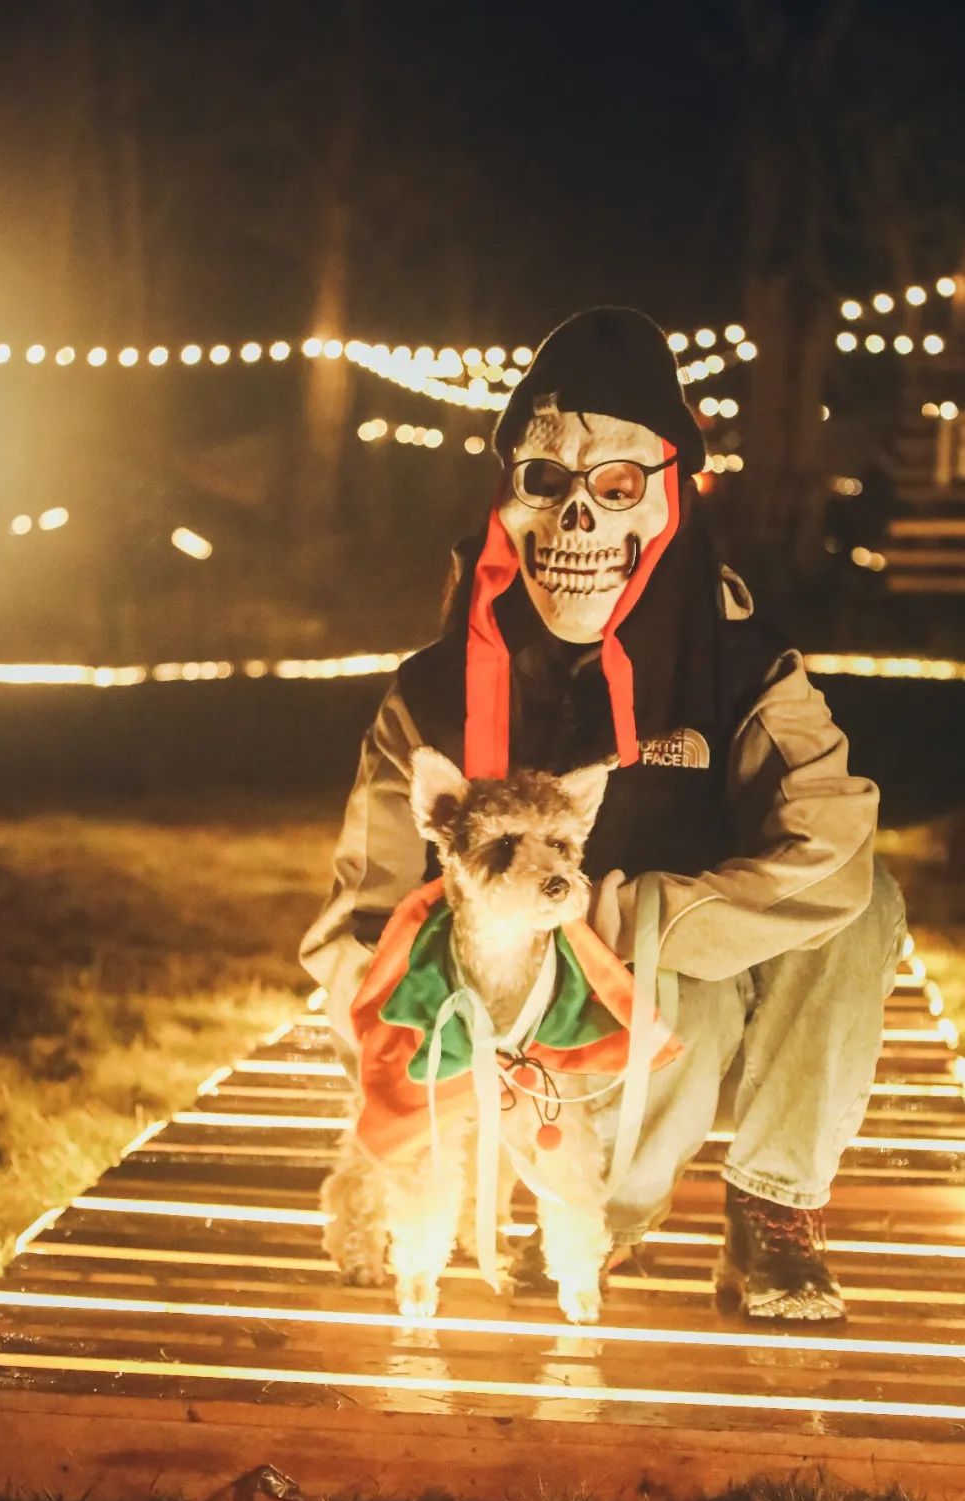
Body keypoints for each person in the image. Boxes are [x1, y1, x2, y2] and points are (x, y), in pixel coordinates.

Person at [301, 307, 907, 1324]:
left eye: (615, 489)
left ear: (664, 501)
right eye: (548, 484)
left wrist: (666, 920)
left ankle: (774, 1202)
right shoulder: (432, 695)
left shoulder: (742, 661)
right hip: (527, 1034)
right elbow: (358, 922)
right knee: (663, 1007)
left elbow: (832, 835)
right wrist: (421, 1055)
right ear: (510, 498)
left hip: (690, 987)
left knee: (868, 903)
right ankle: (594, 1216)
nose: (578, 523)